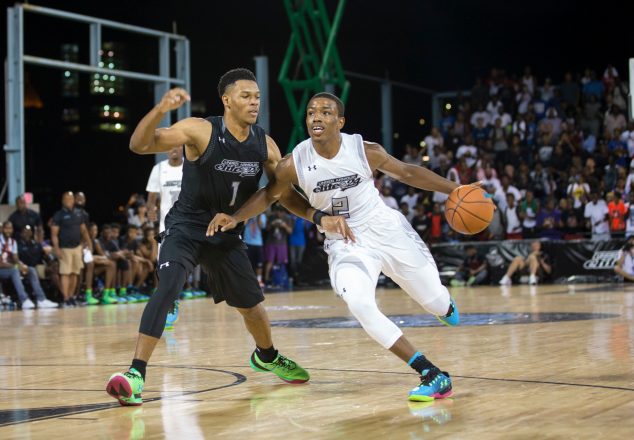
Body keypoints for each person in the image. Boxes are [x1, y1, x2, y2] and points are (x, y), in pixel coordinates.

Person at [106, 69, 353, 406]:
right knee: (168, 286)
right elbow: (139, 144)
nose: (254, 102)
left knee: (252, 308)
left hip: (227, 234)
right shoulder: (200, 130)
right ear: (227, 100)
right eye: (246, 96)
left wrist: (318, 216)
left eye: (257, 97)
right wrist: (162, 108)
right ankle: (136, 373)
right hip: (187, 228)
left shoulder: (264, 145)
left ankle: (267, 355)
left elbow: (280, 193)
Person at [209, 92, 461, 402]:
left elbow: (408, 172)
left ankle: (444, 306)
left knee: (436, 303)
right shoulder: (294, 163)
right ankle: (431, 373)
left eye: (326, 112)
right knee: (360, 303)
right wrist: (236, 217)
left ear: (339, 122)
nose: (316, 116)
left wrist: (456, 190)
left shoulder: (364, 150)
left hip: (386, 230)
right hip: (346, 242)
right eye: (312, 112)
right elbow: (272, 195)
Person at [0, 221, 57, 309]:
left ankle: (41, 300)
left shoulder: (13, 242)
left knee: (31, 270)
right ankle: (24, 300)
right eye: (6, 228)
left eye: (10, 228)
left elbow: (15, 259)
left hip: (9, 268)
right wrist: (16, 266)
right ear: (2, 229)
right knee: (15, 271)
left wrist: (22, 266)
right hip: (2, 268)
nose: (8, 231)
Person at [50, 192, 92, 306]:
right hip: (65, 248)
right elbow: (54, 234)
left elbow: (83, 230)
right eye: (66, 198)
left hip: (77, 247)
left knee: (75, 273)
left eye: (71, 198)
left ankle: (71, 296)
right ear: (62, 201)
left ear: (74, 200)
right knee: (65, 273)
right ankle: (65, 298)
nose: (69, 200)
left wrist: (89, 243)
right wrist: (57, 249)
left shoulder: (79, 214)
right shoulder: (58, 215)